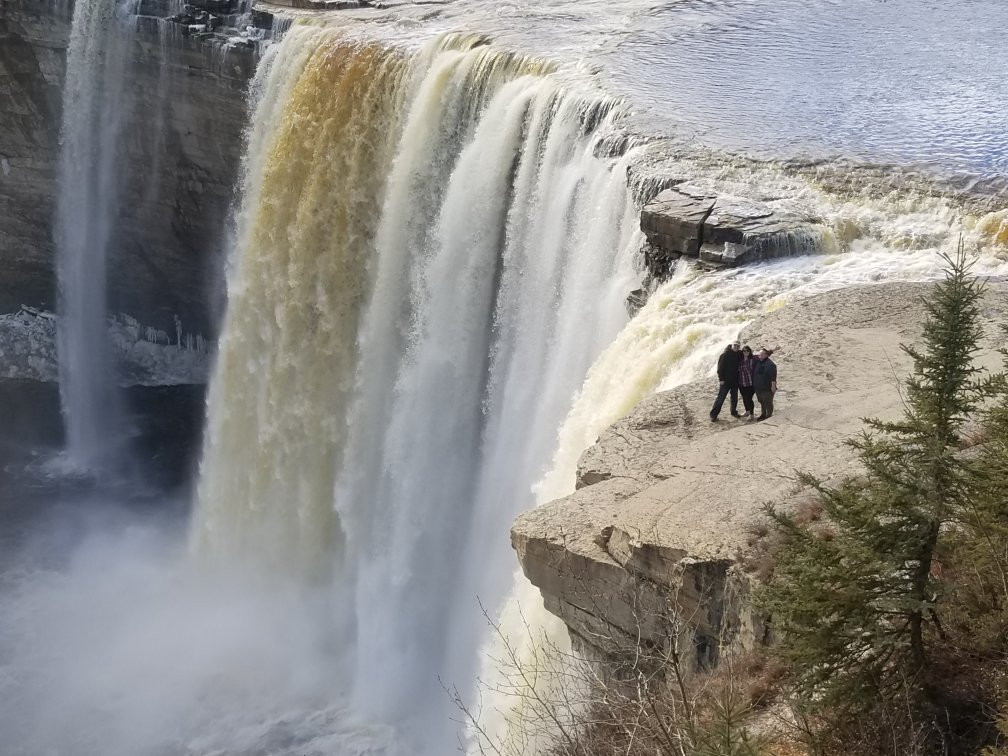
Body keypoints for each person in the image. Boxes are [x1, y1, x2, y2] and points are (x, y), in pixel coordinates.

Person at [710, 341, 742, 421]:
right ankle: (713, 415)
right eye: (735, 345)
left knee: (734, 398)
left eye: (738, 346)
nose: (736, 347)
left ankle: (733, 412)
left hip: (735, 381)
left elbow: (749, 355)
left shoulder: (739, 354)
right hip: (725, 381)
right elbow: (720, 368)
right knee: (721, 398)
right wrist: (721, 379)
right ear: (732, 345)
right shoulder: (725, 355)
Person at [753, 347, 778, 420]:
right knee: (761, 401)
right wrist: (773, 350)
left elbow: (773, 377)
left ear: (766, 355)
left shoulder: (770, 364)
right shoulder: (758, 361)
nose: (759, 356)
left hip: (767, 388)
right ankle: (763, 414)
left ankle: (769, 416)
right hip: (758, 387)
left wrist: (773, 386)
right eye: (759, 354)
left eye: (762, 355)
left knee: (768, 402)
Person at [737, 345, 757, 420]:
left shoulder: (753, 359)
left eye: (747, 351)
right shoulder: (740, 360)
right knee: (744, 398)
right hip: (741, 383)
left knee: (749, 398)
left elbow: (763, 355)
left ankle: (751, 414)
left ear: (750, 351)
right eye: (744, 351)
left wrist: (773, 350)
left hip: (750, 383)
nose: (745, 352)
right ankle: (747, 411)